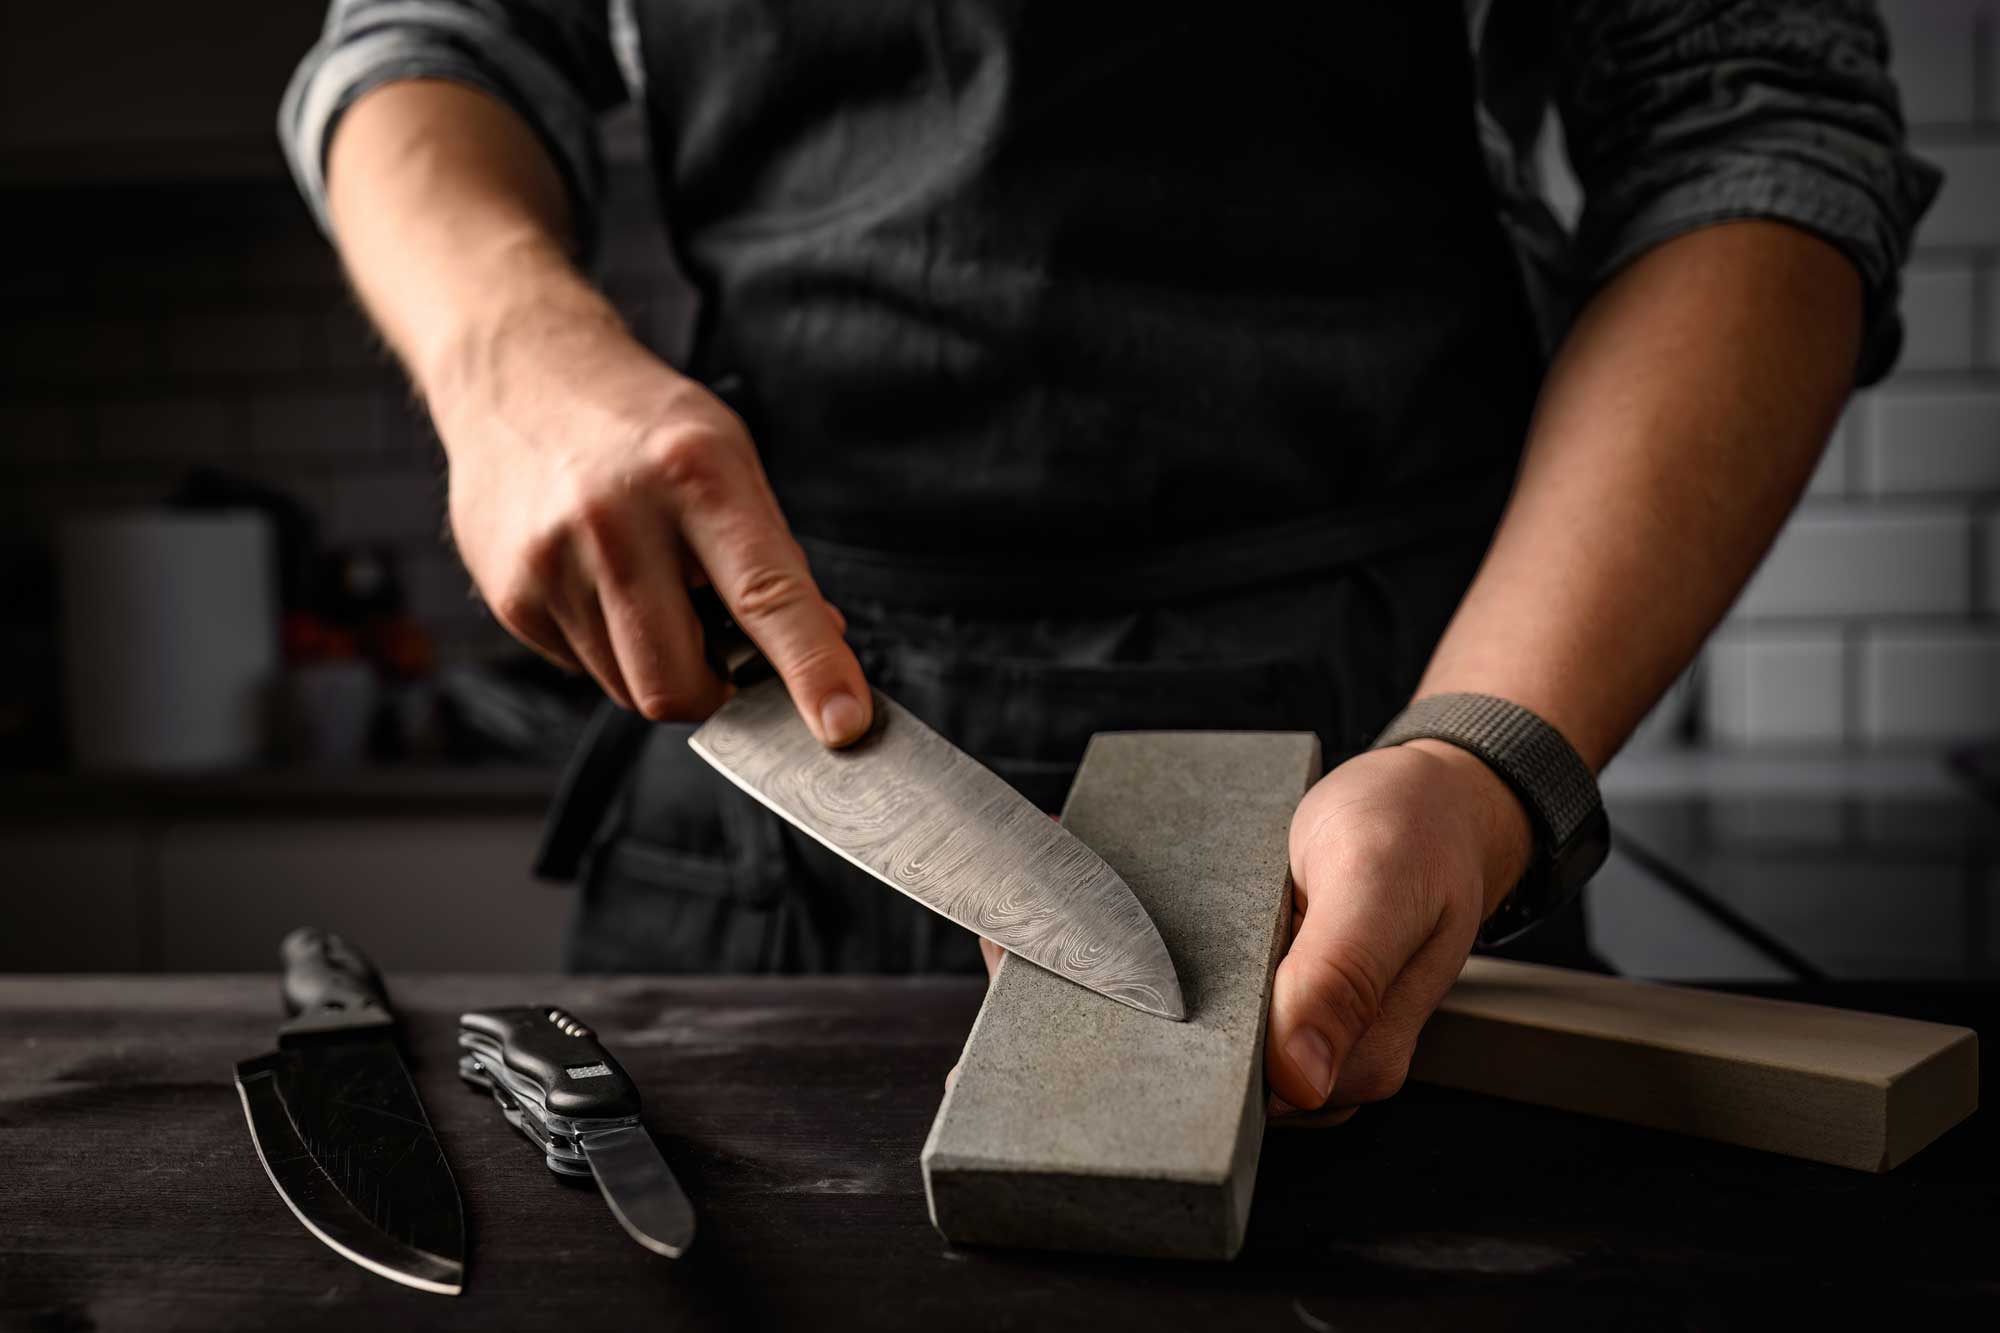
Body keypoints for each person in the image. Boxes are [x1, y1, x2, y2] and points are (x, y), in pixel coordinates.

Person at [281, 1, 1936, 1119]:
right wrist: (509, 350)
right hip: (764, 743)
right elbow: (434, 35)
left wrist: (1489, 754)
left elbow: (1755, 119)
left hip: (1402, 747)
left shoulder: (1452, 768)